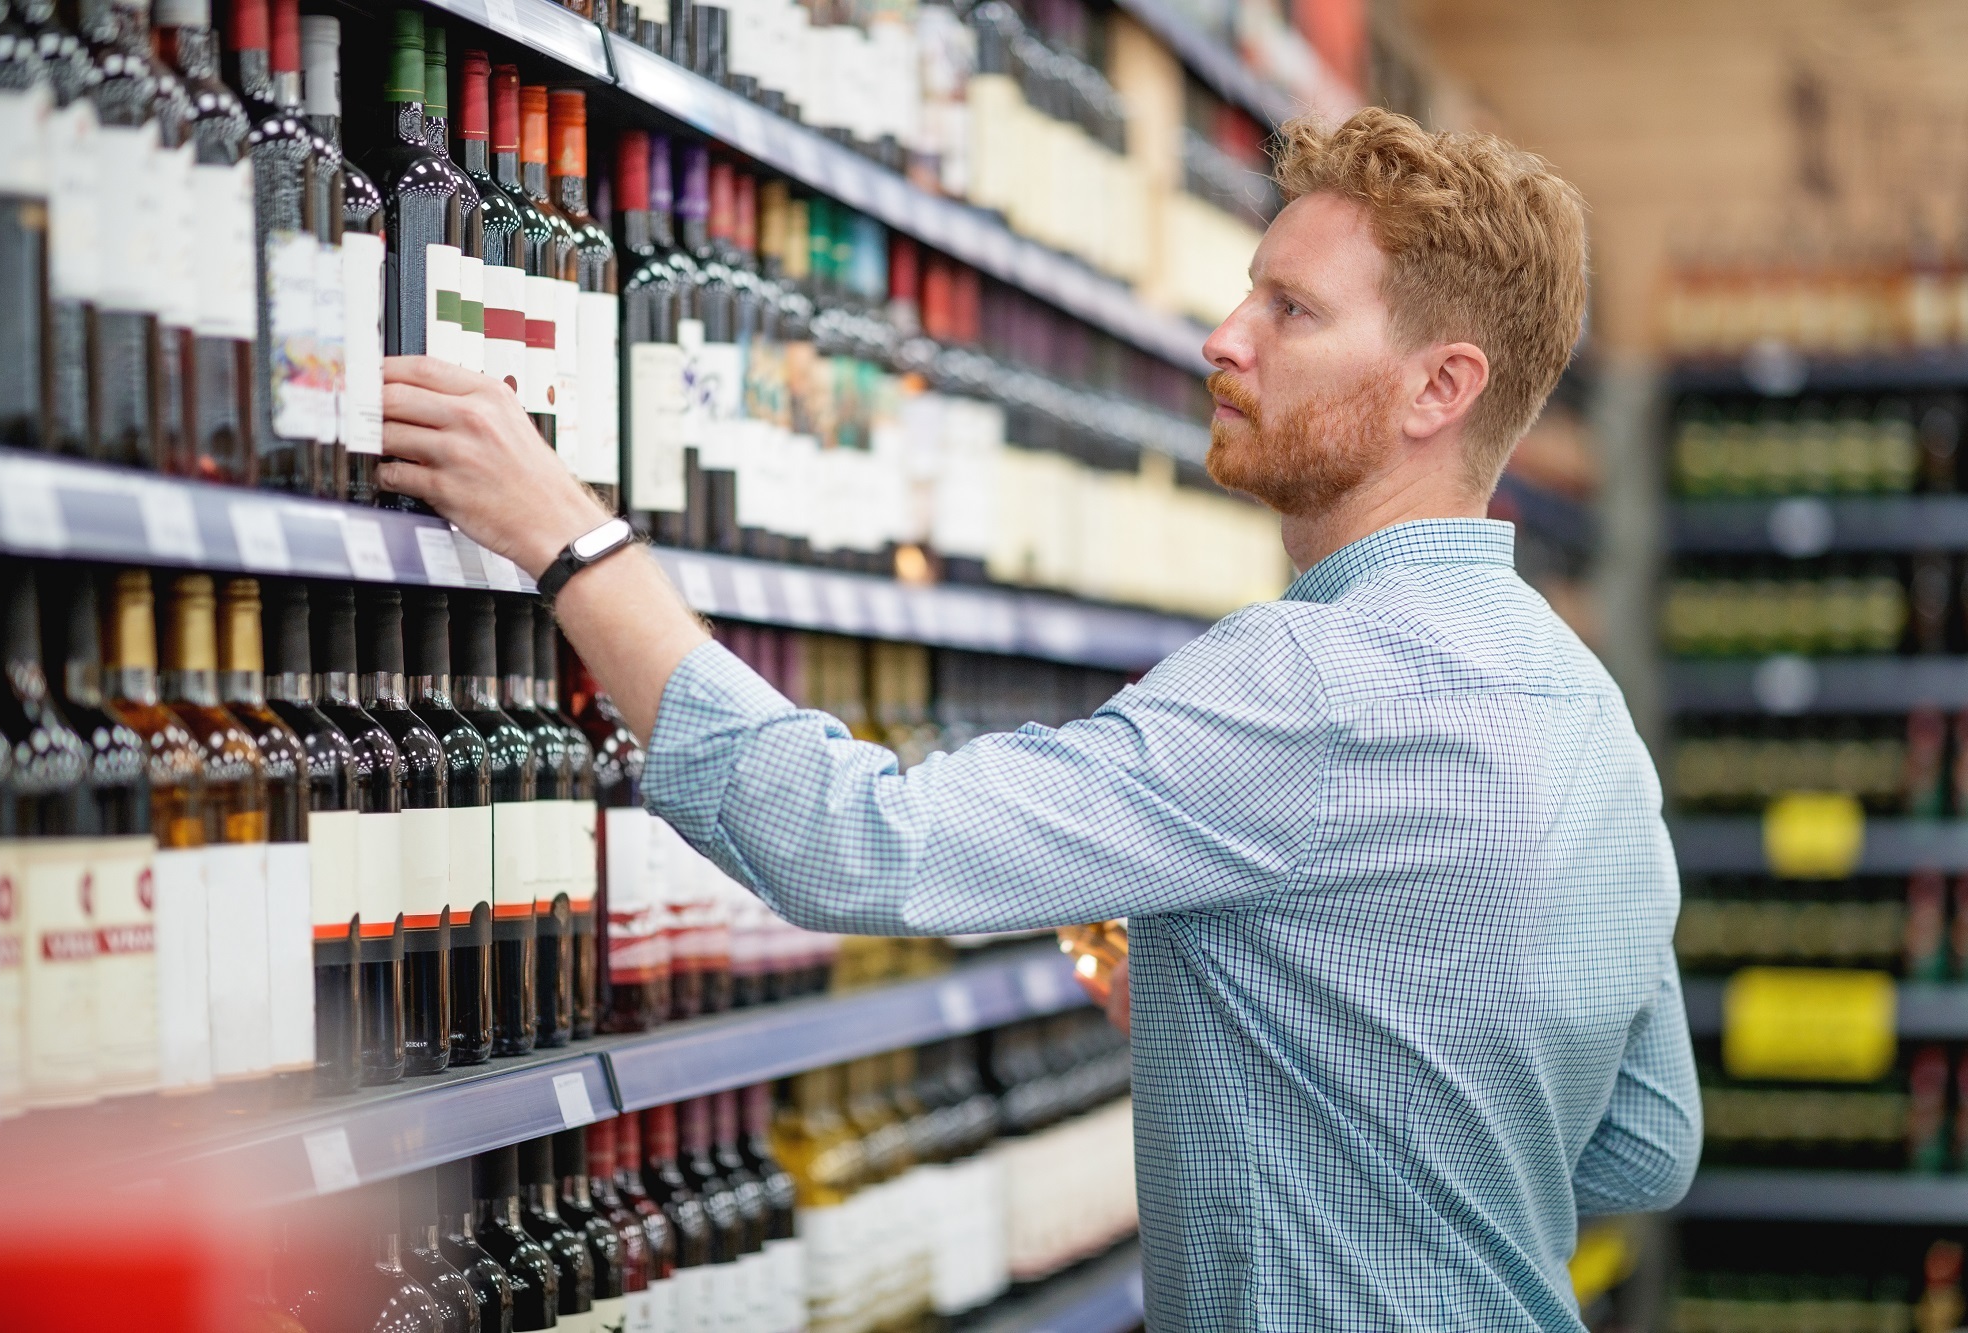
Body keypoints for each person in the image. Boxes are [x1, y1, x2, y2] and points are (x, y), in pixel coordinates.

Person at [376, 108, 1700, 1330]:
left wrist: (572, 542)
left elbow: (861, 842)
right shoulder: (1589, 711)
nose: (1223, 336)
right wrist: (1317, 1041)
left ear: (1438, 388)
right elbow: (1645, 1140)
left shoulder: (1312, 680)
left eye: (1290, 309)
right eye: (1249, 285)